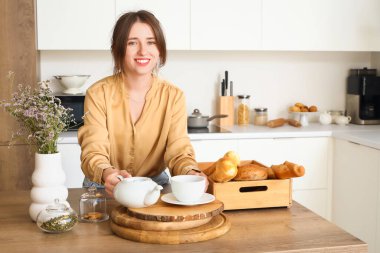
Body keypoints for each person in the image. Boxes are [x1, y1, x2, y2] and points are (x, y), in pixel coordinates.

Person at [78, 10, 208, 197]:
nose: (143, 51)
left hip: (154, 186)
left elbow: (179, 151)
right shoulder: (98, 94)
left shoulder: (174, 96)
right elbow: (93, 148)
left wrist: (192, 173)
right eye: (132, 43)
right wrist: (107, 172)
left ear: (160, 49)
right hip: (104, 185)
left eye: (151, 42)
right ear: (118, 49)